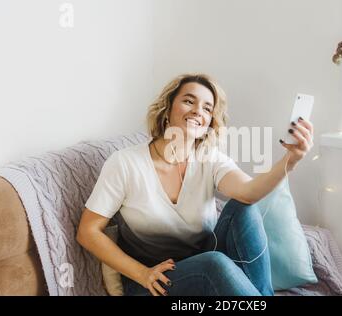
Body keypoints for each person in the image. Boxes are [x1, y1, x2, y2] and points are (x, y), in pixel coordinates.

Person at [76, 73, 314, 296]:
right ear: (167, 109)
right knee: (213, 262)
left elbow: (249, 193)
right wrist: (142, 273)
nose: (198, 111)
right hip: (152, 282)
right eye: (189, 101)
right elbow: (88, 231)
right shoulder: (125, 163)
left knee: (244, 208)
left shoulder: (210, 159)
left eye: (207, 108)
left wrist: (290, 161)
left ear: (209, 123)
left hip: (206, 269)